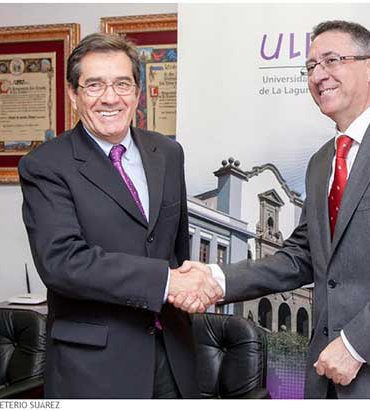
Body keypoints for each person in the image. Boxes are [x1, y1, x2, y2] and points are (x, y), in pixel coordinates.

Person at [173, 20, 370, 399]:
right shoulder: (321, 162)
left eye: (332, 60)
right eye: (311, 66)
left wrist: (356, 344)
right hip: (328, 378)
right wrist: (216, 277)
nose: (317, 75)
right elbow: (301, 256)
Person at [19, 33, 221, 399]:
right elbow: (62, 261)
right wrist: (167, 282)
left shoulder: (168, 153)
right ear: (73, 94)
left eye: (122, 84)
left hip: (173, 356)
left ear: (138, 93)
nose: (110, 98)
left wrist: (186, 285)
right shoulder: (46, 165)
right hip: (95, 368)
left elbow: (175, 251)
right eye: (94, 85)